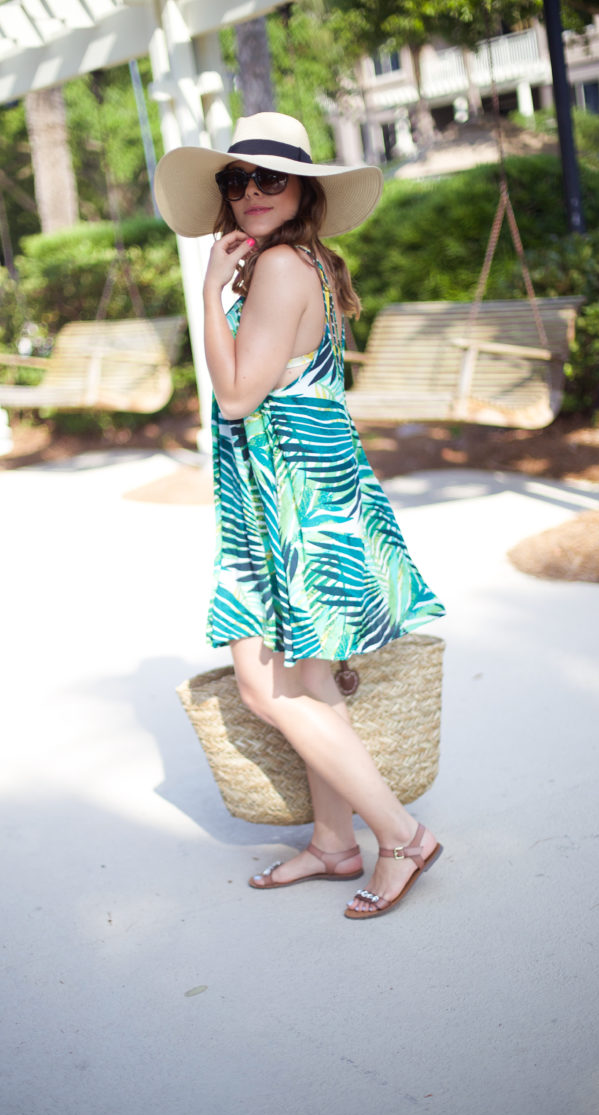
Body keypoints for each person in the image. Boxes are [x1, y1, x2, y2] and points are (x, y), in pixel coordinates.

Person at [155, 113, 446, 918]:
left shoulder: (278, 267)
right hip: (289, 493)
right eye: (236, 179)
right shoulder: (294, 262)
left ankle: (401, 834)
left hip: (300, 503)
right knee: (307, 680)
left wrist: (209, 292)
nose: (250, 192)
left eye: (269, 178)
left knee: (264, 685)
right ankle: (333, 841)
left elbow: (240, 394)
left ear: (302, 190)